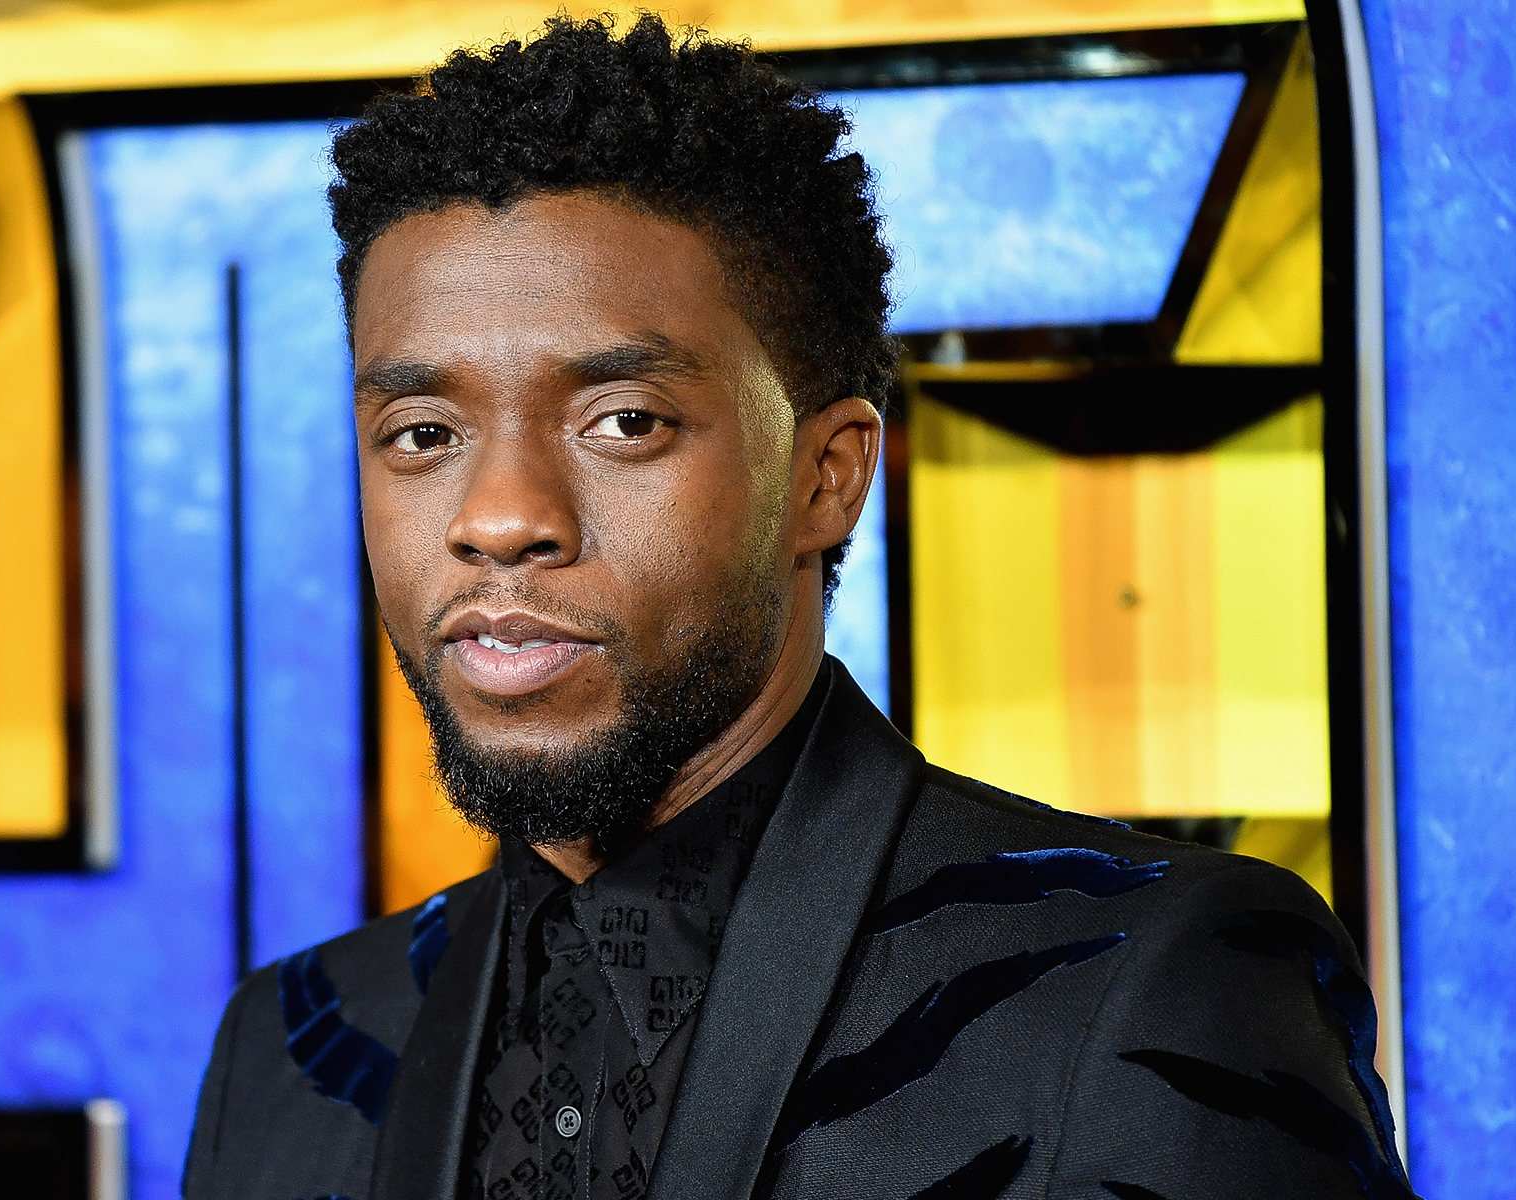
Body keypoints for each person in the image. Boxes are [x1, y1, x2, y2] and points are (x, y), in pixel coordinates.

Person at [182, 15, 1413, 1200]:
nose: (500, 515)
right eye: (424, 432)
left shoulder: (1148, 983)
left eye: (623, 423)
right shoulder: (292, 1051)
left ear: (827, 477)